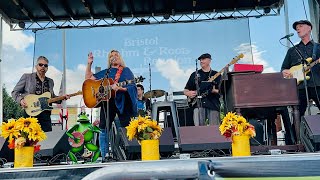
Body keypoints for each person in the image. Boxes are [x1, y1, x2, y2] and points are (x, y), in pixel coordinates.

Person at [85, 50, 137, 161]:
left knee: (126, 128)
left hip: (123, 101)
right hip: (108, 102)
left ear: (120, 58)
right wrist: (89, 63)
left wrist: (120, 88)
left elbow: (132, 85)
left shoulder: (126, 71)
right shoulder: (106, 72)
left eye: (116, 55)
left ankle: (130, 155)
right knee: (103, 128)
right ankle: (105, 156)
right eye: (111, 56)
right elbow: (88, 80)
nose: (113, 57)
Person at [11, 56, 70, 132]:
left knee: (47, 140)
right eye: (40, 64)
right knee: (30, 140)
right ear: (36, 66)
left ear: (47, 68)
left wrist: (62, 98)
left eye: (45, 65)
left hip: (45, 116)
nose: (43, 67)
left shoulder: (50, 81)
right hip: (30, 114)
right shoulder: (27, 77)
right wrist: (21, 100)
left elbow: (51, 97)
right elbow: (15, 92)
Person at [281, 20, 320, 116]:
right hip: (299, 87)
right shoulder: (292, 50)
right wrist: (285, 72)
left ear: (309, 28)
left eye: (301, 26)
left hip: (318, 84)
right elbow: (284, 68)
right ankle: (295, 131)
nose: (298, 28)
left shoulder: (318, 47)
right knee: (297, 115)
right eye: (296, 28)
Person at [184, 53, 221, 126]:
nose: (201, 61)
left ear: (209, 60)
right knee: (199, 130)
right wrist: (188, 93)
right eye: (200, 60)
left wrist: (214, 91)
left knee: (215, 129)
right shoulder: (194, 74)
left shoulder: (216, 74)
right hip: (198, 104)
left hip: (213, 104)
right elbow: (185, 90)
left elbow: (223, 91)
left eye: (203, 59)